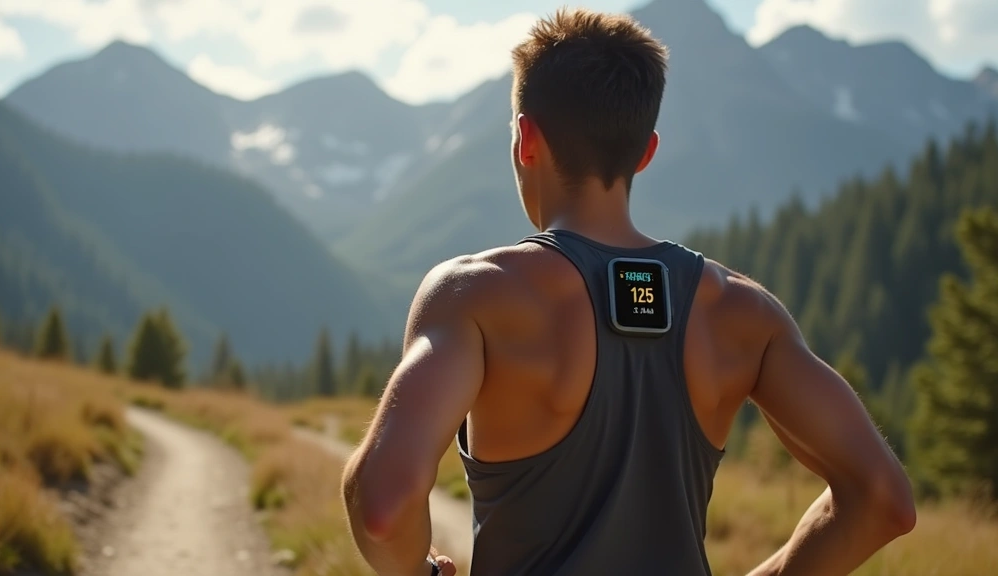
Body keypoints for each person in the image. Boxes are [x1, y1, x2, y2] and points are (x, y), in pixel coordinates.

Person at [341, 8, 916, 576]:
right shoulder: (743, 311)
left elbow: (383, 508)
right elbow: (883, 499)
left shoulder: (476, 295)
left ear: (525, 140)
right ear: (645, 152)